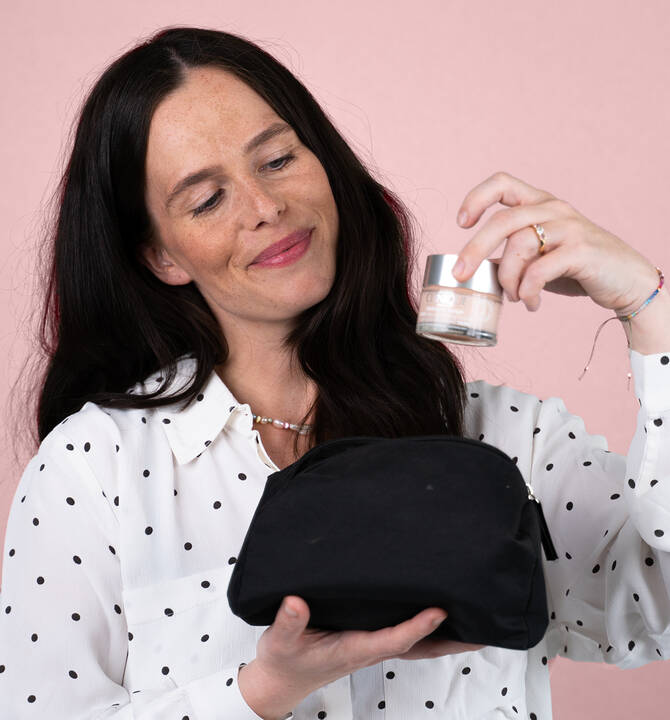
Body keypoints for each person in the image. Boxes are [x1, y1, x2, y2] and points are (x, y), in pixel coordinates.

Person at [1, 25, 669, 720]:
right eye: (206, 200)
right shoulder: (95, 468)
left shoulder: (501, 437)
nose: (266, 208)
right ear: (161, 257)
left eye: (277, 159)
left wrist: (647, 306)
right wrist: (262, 691)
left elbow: (656, 611)